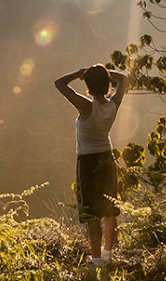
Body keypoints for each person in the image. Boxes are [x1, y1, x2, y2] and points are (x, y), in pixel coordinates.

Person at [54, 63, 131, 267]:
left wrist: (79, 73)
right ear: (107, 85)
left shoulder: (86, 106)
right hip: (107, 158)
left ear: (88, 85)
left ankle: (96, 259)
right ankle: (107, 254)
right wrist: (106, 74)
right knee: (109, 208)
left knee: (92, 212)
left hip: (88, 161)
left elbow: (59, 84)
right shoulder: (113, 104)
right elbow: (123, 78)